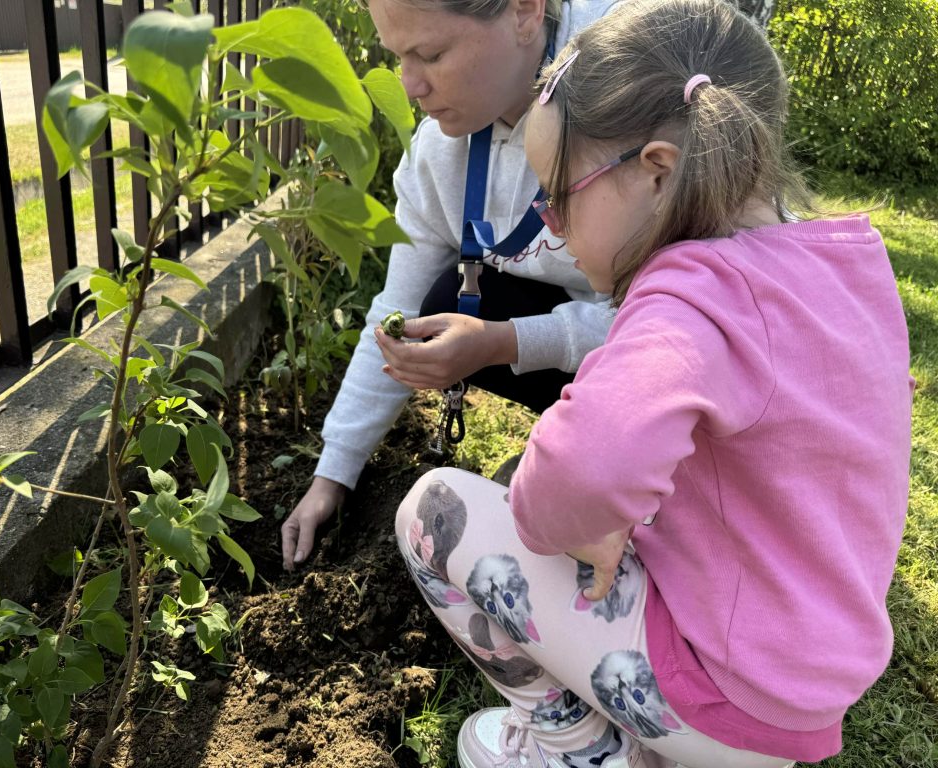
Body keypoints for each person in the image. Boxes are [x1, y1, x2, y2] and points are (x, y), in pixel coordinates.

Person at [393, 1, 913, 767]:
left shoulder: (685, 299)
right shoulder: (849, 265)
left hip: (717, 693)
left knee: (436, 510)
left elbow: (563, 489)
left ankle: (576, 748)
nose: (551, 226)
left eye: (558, 194)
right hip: (805, 684)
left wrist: (577, 515)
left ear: (658, 171)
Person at [281, 0, 625, 571]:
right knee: (435, 303)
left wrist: (502, 341)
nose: (410, 85)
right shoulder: (442, 153)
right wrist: (333, 473)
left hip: (685, 357)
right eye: (398, 57)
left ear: (523, 11)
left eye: (433, 54)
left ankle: (606, 468)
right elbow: (395, 311)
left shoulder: (632, 113)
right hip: (591, 333)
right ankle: (575, 451)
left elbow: (677, 323)